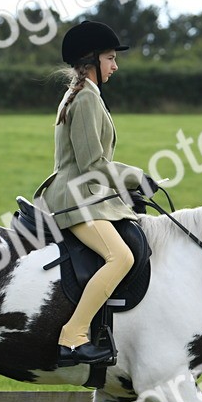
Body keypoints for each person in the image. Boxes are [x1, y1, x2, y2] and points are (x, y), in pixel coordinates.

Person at [37, 21, 158, 367]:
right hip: (76, 199)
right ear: (91, 61)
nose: (115, 66)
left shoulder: (80, 93)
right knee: (121, 258)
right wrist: (136, 178)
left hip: (83, 194)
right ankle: (73, 337)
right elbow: (92, 164)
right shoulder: (87, 98)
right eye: (110, 58)